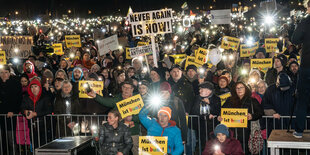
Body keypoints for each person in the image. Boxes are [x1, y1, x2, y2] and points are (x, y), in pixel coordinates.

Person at [219, 82, 264, 154]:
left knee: (244, 150)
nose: (239, 89)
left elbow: (260, 112)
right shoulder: (229, 100)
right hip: (232, 132)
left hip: (247, 132)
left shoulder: (252, 100)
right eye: (237, 88)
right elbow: (222, 111)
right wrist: (220, 117)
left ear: (245, 89)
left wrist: (252, 116)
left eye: (241, 87)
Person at [291, 0, 310, 138]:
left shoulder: (306, 22)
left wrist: (298, 24)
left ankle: (299, 130)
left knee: (302, 98)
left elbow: (295, 39)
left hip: (307, 66)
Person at [21, 77, 53, 148]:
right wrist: (25, 112)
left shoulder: (45, 97)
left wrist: (36, 114)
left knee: (43, 146)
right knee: (35, 145)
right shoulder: (27, 97)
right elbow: (22, 108)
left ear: (39, 87)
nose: (34, 89)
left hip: (43, 126)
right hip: (32, 126)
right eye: (32, 87)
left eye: (36, 86)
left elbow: (49, 110)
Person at [191, 81, 221, 152]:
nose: (199, 91)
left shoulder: (216, 99)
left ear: (208, 91)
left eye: (201, 89)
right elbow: (194, 111)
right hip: (200, 126)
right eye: (199, 89)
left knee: (213, 146)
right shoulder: (197, 98)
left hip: (212, 127)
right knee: (202, 145)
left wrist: (209, 104)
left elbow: (217, 111)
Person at [0, 65, 22, 154]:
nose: (4, 74)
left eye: (6, 72)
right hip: (0, 116)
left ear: (9, 73)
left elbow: (18, 99)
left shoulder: (15, 84)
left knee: (11, 139)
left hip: (11, 116)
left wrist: (13, 111)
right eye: (1, 72)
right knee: (1, 140)